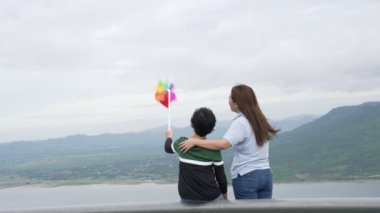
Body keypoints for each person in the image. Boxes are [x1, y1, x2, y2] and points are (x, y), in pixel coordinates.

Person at [179, 84, 279, 199]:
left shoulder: (241, 122)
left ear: (237, 102)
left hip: (247, 176)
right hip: (266, 174)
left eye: (230, 98)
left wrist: (195, 141)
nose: (229, 101)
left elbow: (223, 144)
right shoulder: (260, 120)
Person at [164, 107, 228, 203]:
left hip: (187, 199)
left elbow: (168, 148)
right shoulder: (214, 149)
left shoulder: (181, 143)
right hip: (211, 197)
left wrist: (169, 137)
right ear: (212, 129)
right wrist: (225, 196)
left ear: (191, 124)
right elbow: (221, 177)